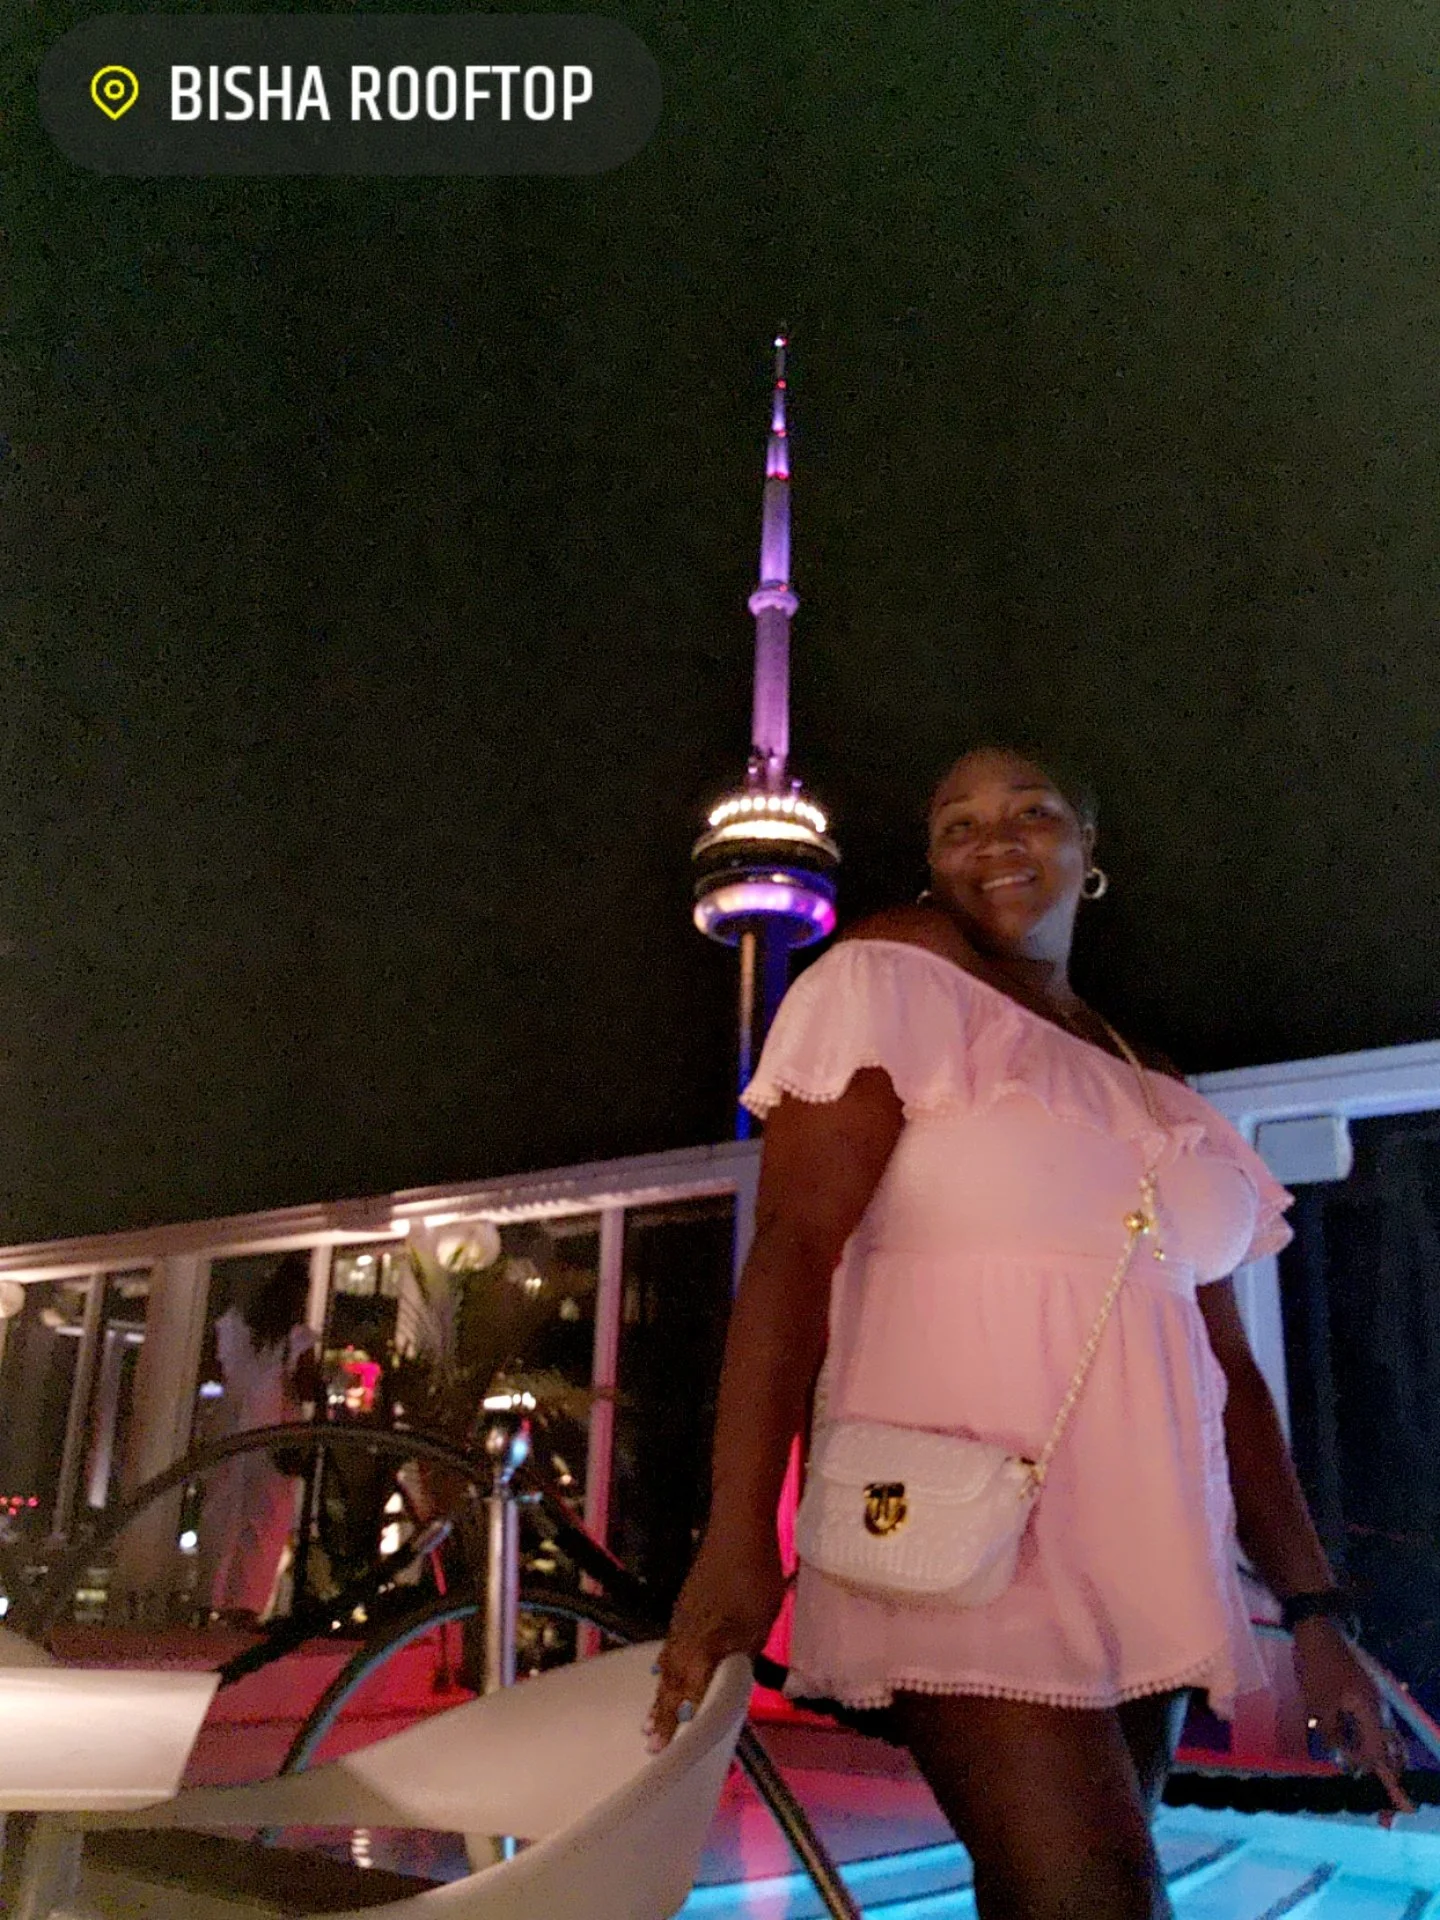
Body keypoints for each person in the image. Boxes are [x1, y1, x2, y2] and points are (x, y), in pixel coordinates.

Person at [650, 746, 1409, 1920]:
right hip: (966, 1540)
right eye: (957, 824)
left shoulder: (1153, 1079)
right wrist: (738, 1531)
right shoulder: (892, 978)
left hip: (1144, 1545)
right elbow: (794, 1249)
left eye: (1032, 813)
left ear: (1090, 853)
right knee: (1096, 1899)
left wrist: (1314, 1613)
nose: (994, 840)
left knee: (1061, 1887)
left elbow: (1231, 1375)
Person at [198, 1251, 322, 1623]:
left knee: (220, 1514)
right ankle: (243, 1607)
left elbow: (211, 1371)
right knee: (263, 1523)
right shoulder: (295, 1339)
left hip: (230, 1430)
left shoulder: (234, 1328)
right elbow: (308, 1388)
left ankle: (208, 1600)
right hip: (272, 1438)